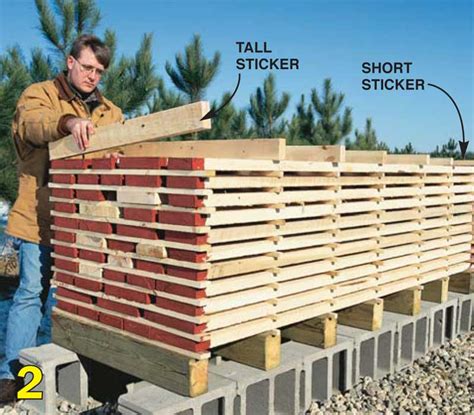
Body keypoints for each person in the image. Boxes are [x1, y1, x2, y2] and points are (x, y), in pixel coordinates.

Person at [0, 34, 123, 405]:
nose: (93, 76)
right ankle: (15, 378)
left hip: (87, 224)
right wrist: (69, 122)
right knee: (31, 295)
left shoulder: (110, 112)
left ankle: (80, 376)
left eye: (99, 71)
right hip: (40, 217)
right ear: (70, 62)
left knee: (86, 300)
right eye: (87, 67)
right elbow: (33, 125)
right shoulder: (38, 95)